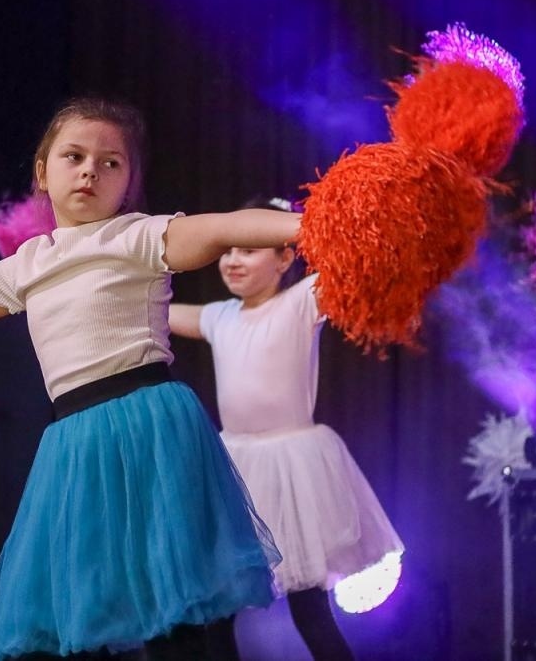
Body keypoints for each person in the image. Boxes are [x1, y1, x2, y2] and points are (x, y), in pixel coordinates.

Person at [0, 97, 290, 660]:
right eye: (74, 156)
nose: (91, 170)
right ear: (43, 173)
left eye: (110, 162)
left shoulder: (139, 236)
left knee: (185, 617)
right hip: (76, 444)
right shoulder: (30, 262)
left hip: (150, 428)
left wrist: (313, 223)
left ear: (129, 182)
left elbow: (228, 227)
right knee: (88, 613)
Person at [169, 198, 402, 661]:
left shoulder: (303, 301)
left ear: (285, 259)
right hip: (236, 467)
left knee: (310, 609)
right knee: (219, 608)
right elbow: (157, 313)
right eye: (228, 250)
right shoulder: (219, 317)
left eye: (250, 250)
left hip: (295, 468)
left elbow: (354, 261)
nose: (234, 260)